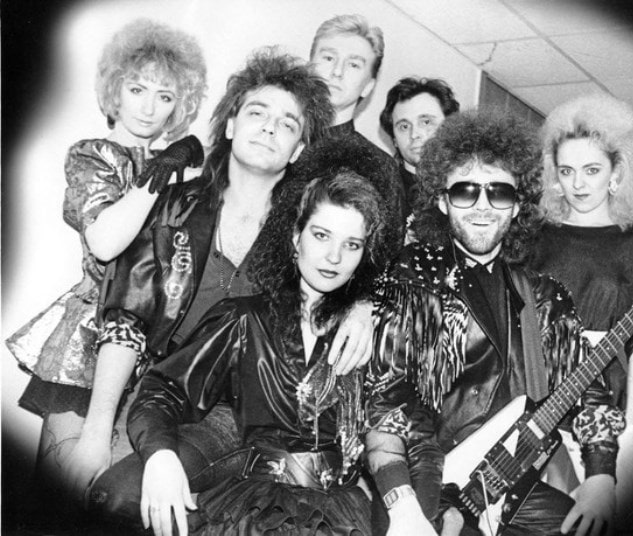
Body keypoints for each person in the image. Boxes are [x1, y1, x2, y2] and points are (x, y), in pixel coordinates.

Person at [86, 49, 384, 527]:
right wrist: (97, 432)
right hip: (161, 390)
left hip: (240, 412)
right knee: (112, 495)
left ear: (299, 149)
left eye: (287, 123)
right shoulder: (174, 206)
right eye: (257, 113)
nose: (269, 128)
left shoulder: (306, 230)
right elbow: (127, 319)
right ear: (230, 126)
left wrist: (365, 304)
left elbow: (360, 261)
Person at [365, 109, 626, 536]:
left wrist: (601, 476)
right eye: (465, 191)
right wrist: (404, 503)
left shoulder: (544, 297)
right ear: (441, 200)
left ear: (518, 204)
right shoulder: (416, 276)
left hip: (508, 488)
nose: (482, 206)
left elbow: (589, 391)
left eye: (499, 193)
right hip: (424, 482)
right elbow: (387, 398)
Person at [118, 172, 392, 536]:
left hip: (343, 510)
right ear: (295, 237)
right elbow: (163, 390)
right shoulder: (244, 318)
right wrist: (161, 455)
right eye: (321, 235)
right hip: (257, 503)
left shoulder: (375, 330)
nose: (334, 256)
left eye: (352, 244)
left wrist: (369, 305)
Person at [5, 17, 207, 504]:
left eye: (165, 96)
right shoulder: (94, 155)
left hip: (150, 351)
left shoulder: (176, 175)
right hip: (88, 339)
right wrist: (159, 174)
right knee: (62, 492)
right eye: (137, 89)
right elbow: (105, 242)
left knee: (110, 501)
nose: (149, 107)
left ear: (178, 107)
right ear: (115, 91)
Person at [529, 94, 633, 522]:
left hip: (609, 401)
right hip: (540, 397)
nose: (578, 183)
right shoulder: (533, 239)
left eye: (591, 170)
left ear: (616, 172)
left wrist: (631, 427)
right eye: (566, 171)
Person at [307, 14, 404, 226]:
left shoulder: (379, 168)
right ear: (309, 68)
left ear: (368, 86)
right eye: (328, 58)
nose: (337, 72)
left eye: (353, 65)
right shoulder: (274, 139)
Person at [379, 77, 459, 215]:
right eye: (404, 126)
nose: (414, 134)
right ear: (394, 140)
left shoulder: (468, 184)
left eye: (426, 122)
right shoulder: (382, 193)